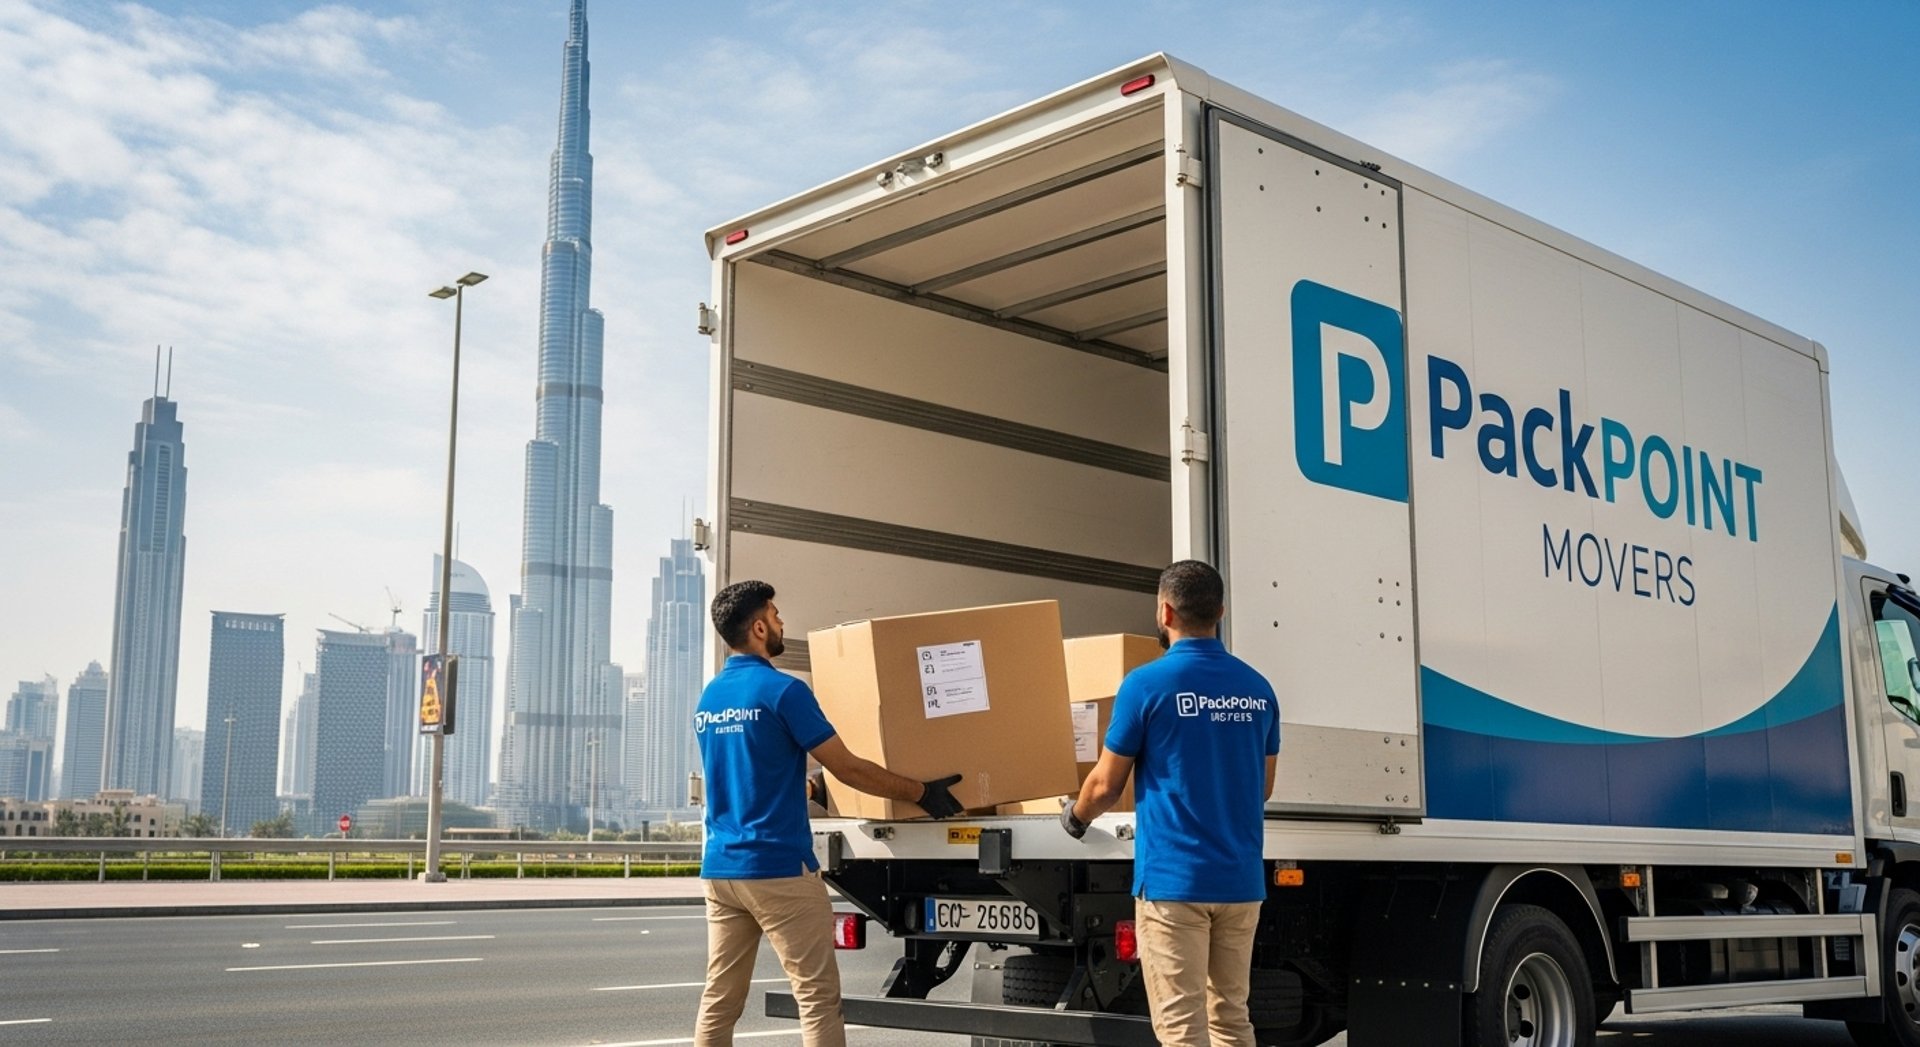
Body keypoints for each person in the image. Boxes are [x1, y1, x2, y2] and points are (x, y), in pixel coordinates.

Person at [694, 579, 965, 1047]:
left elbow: (751, 773)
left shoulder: (710, 698)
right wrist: (921, 791)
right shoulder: (784, 691)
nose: (782, 623)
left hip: (721, 870)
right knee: (817, 999)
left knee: (720, 999)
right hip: (778, 868)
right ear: (759, 628)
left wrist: (808, 786)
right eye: (775, 615)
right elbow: (849, 768)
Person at [1061, 560, 1280, 1047]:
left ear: (1164, 612)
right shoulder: (1257, 689)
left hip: (1174, 884)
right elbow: (1262, 787)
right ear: (1220, 612)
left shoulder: (1146, 684)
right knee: (1231, 1019)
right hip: (1241, 883)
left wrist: (1075, 818)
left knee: (1182, 1028)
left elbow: (1105, 786)